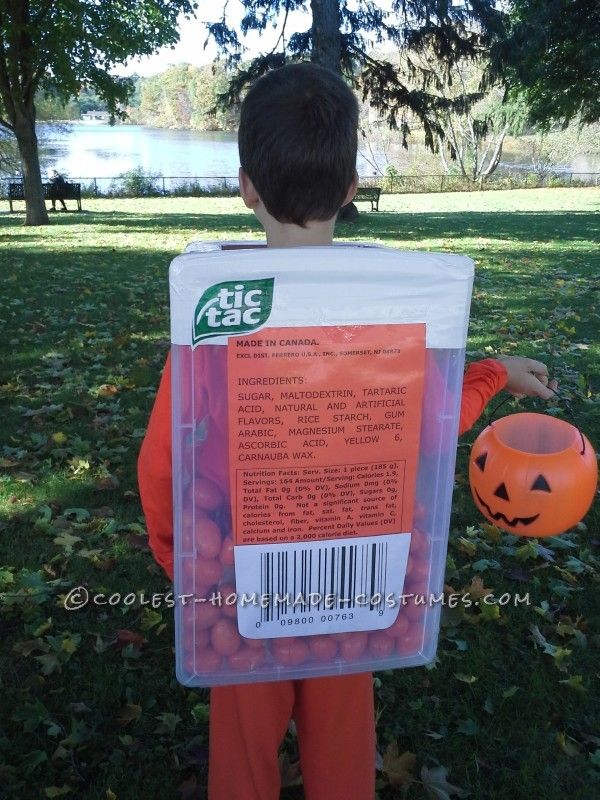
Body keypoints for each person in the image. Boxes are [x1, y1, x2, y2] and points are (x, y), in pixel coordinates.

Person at [137, 63, 557, 800]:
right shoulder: (382, 320)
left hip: (240, 589)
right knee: (342, 755)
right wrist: (491, 375)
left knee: (242, 758)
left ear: (246, 187)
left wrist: (189, 571)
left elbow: (164, 465)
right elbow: (431, 429)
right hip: (353, 588)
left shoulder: (217, 321)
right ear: (351, 190)